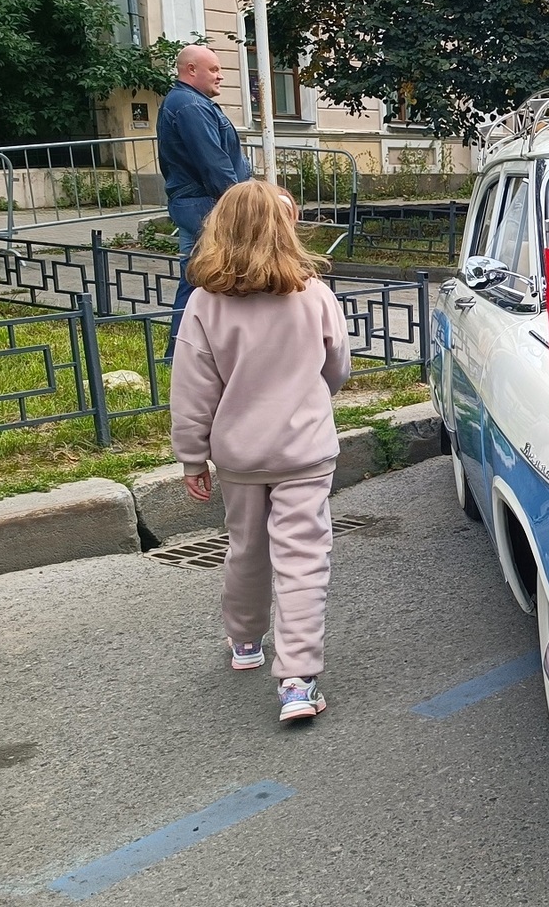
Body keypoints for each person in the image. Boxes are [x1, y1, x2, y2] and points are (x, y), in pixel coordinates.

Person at [172, 180, 352, 722]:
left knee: (246, 549)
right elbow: (337, 367)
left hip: (240, 458)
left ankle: (246, 642)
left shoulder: (205, 303)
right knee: (302, 559)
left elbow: (192, 387)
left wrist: (190, 455)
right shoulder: (313, 293)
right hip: (304, 450)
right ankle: (298, 679)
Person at [157, 44, 251, 362]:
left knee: (197, 280)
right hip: (206, 206)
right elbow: (213, 162)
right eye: (213, 69)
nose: (221, 76)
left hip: (201, 204)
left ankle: (184, 354)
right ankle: (189, 355)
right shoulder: (189, 106)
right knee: (212, 279)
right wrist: (243, 203)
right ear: (191, 70)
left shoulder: (190, 102)